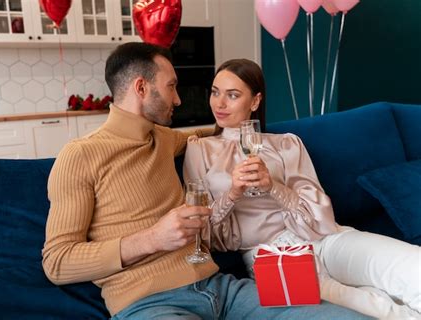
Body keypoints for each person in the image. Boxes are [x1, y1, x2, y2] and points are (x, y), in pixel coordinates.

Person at [41, 43, 370, 319]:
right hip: (150, 304)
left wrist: (255, 135)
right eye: (171, 87)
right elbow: (57, 262)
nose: (179, 100)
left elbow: (209, 137)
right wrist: (152, 238)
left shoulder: (164, 139)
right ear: (141, 88)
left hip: (222, 289)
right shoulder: (79, 156)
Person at [183, 58, 421, 320]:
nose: (219, 103)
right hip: (271, 258)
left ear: (254, 101)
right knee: (377, 309)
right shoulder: (199, 150)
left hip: (323, 237)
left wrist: (272, 186)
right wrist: (233, 193)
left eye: (233, 95)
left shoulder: (286, 144)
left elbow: (318, 213)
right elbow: (203, 234)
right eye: (215, 92)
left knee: (413, 266)